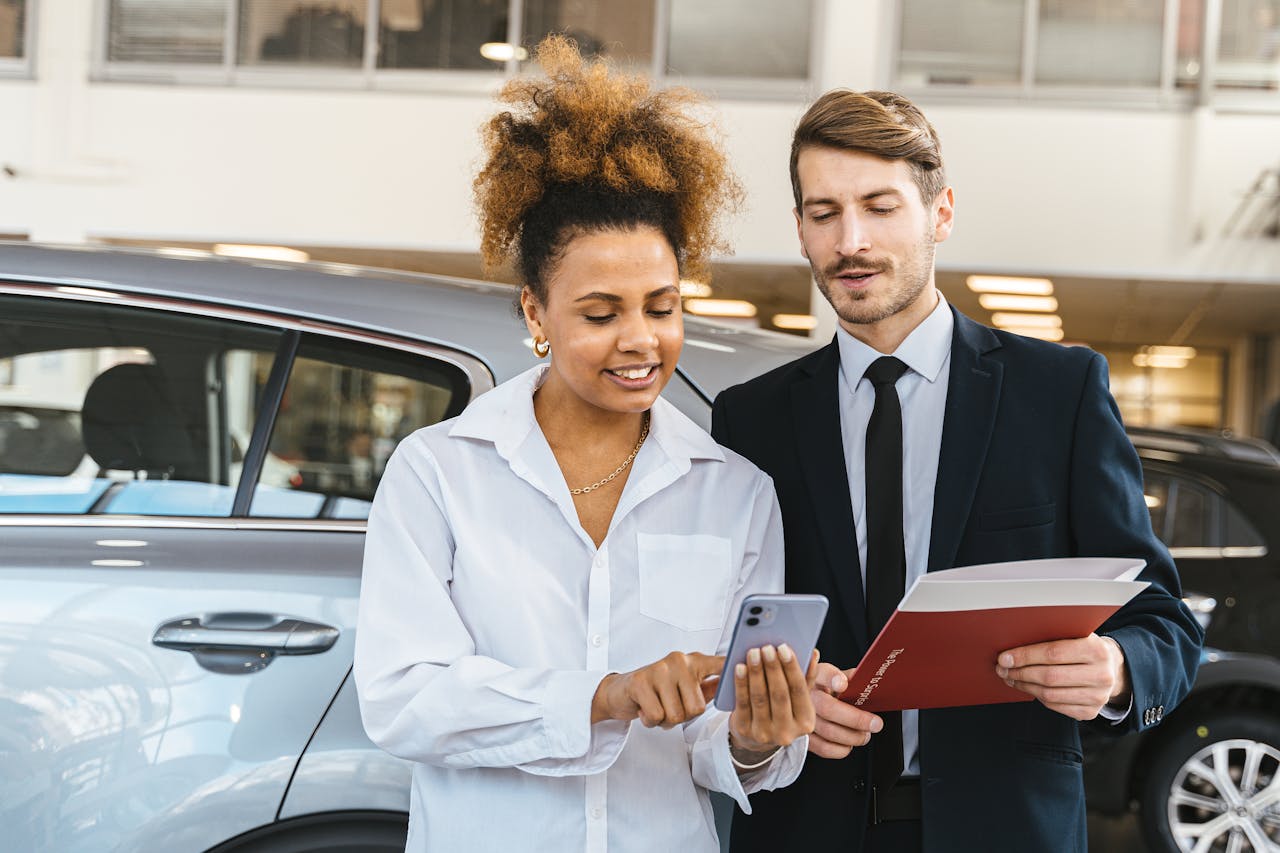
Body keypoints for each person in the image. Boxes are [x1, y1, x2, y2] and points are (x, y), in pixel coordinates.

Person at [354, 37, 817, 853]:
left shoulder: (735, 492)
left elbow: (715, 746)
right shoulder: (440, 472)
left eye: (662, 306)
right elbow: (404, 697)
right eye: (601, 313)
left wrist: (754, 735)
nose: (641, 340)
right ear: (536, 314)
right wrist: (604, 696)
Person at [711, 90, 1204, 853]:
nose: (851, 241)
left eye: (880, 207)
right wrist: (772, 706)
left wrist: (1115, 665)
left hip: (1007, 828)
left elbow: (1164, 623)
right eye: (823, 212)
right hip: (805, 826)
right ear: (802, 230)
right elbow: (722, 631)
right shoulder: (751, 418)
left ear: (940, 214)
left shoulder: (1058, 393)